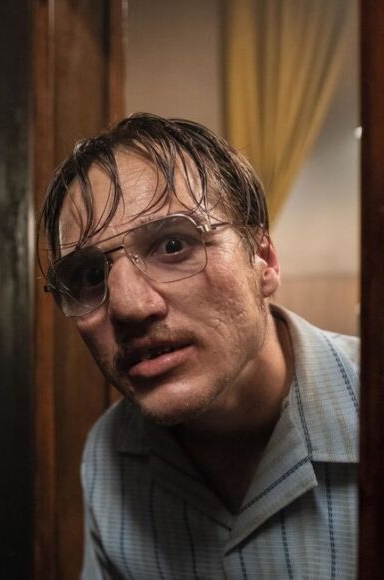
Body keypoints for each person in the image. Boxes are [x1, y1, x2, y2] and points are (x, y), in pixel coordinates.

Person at [38, 114, 360, 579]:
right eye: (89, 276)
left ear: (263, 261)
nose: (129, 306)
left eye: (172, 245)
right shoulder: (111, 457)